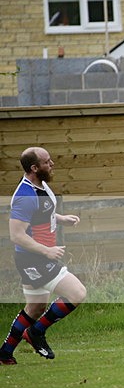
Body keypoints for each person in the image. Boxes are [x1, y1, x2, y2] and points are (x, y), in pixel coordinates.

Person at [0, 147, 87, 365]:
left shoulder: (40, 185)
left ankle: (5, 353)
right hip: (34, 259)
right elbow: (17, 235)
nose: (52, 164)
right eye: (47, 162)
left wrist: (61, 218)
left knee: (36, 307)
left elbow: (42, 213)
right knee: (77, 293)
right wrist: (47, 251)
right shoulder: (25, 196)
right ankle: (36, 332)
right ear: (34, 168)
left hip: (38, 257)